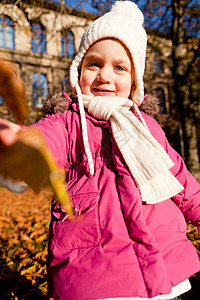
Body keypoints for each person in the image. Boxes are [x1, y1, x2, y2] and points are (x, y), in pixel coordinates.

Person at [0, 1, 200, 300]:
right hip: (95, 267)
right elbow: (46, 141)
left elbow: (180, 178)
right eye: (94, 64)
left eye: (119, 67)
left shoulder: (147, 127)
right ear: (78, 70)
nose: (105, 76)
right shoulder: (67, 121)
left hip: (163, 261)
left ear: (134, 80)